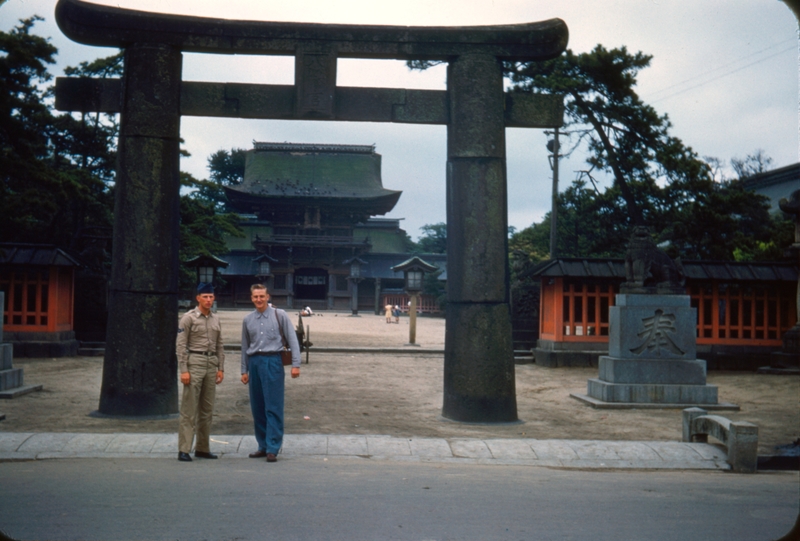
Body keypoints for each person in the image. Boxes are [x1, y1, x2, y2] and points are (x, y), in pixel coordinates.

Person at [241, 284, 301, 462]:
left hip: (273, 361)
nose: (258, 300)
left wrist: (296, 364)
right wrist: (243, 369)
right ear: (251, 298)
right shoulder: (247, 319)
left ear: (268, 297)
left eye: (262, 296)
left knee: (273, 405)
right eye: (255, 297)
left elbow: (292, 339)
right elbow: (244, 346)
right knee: (257, 406)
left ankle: (273, 446)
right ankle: (262, 445)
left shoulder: (279, 315)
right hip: (254, 363)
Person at [176, 282, 224, 462]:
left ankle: (203, 448)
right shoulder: (188, 318)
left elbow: (220, 344)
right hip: (194, 362)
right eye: (205, 296)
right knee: (189, 409)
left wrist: (221, 368)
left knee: (207, 409)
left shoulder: (216, 319)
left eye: (211, 297)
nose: (208, 300)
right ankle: (184, 449)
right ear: (198, 298)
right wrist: (183, 369)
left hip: (211, 363)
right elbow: (180, 345)